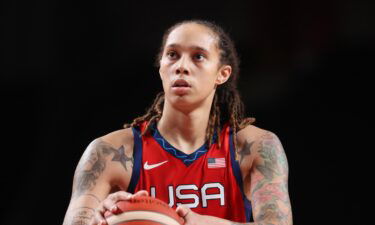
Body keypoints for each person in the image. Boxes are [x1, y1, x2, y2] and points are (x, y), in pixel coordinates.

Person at [62, 19, 292, 225]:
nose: (181, 66)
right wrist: (99, 219)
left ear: (222, 74)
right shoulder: (107, 152)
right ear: (161, 66)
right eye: (172, 55)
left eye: (198, 56)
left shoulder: (256, 146)